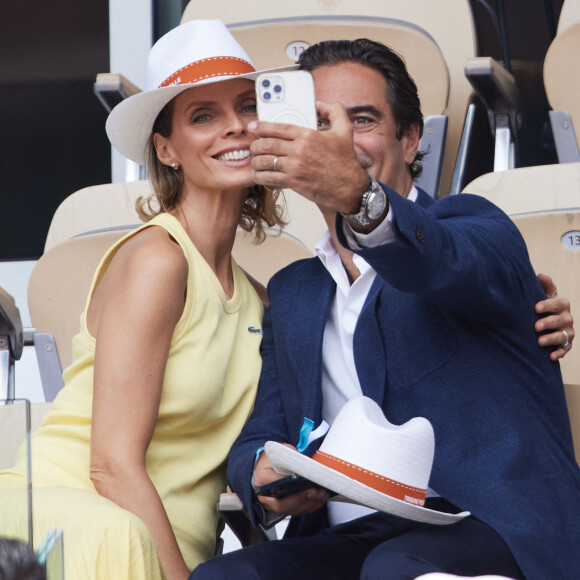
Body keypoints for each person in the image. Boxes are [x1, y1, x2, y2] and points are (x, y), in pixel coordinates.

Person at [191, 38, 580, 579]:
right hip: (353, 537)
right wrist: (259, 476)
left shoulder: (473, 226)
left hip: (491, 528)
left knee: (394, 568)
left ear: (410, 137)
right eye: (323, 122)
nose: (342, 139)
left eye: (364, 119)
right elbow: (264, 430)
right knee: (225, 576)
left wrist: (361, 198)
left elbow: (446, 264)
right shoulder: (295, 291)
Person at [0, 20, 285, 580]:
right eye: (204, 116)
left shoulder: (260, 300)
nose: (234, 128)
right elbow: (110, 466)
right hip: (64, 520)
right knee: (119, 534)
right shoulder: (160, 261)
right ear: (166, 149)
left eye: (247, 107)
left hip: (160, 547)